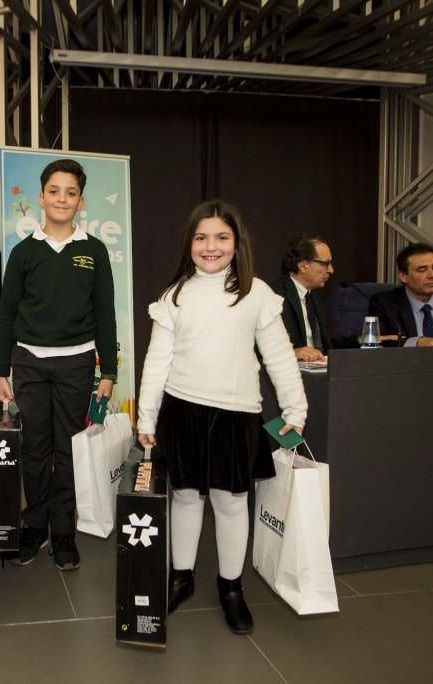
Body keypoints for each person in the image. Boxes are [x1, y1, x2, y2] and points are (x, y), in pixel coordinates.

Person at [137, 199, 306, 634]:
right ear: (189, 243)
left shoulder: (257, 294)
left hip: (236, 414)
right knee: (186, 496)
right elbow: (157, 361)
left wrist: (295, 409)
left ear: (237, 242)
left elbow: (279, 358)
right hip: (183, 410)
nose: (210, 246)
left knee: (231, 502)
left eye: (221, 237)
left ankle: (232, 587)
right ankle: (181, 576)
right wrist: (147, 418)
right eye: (201, 237)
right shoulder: (174, 295)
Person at [0, 158, 117, 571]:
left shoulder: (94, 251)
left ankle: (63, 531)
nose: (61, 199)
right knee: (33, 447)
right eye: (54, 191)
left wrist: (109, 372)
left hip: (77, 365)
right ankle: (35, 527)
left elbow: (105, 315)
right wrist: (0, 370)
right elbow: (7, 314)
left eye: (70, 192)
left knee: (67, 450)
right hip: (28, 363)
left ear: (80, 201)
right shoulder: (24, 251)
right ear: (41, 197)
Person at [271, 233, 333, 361]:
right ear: (303, 266)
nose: (331, 270)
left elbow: (329, 344)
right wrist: (293, 352)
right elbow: (256, 348)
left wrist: (359, 340)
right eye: (325, 264)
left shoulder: (315, 298)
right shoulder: (273, 296)